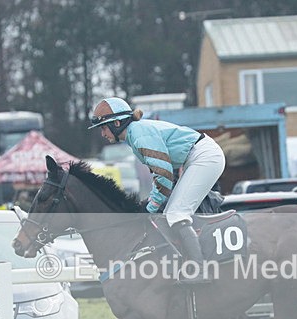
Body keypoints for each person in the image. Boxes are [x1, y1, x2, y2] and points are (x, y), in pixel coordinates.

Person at [88, 97, 225, 284]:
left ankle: (200, 270)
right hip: (197, 156)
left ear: (117, 123)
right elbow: (163, 175)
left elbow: (163, 176)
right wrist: (152, 203)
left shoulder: (138, 134)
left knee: (176, 214)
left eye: (103, 127)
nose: (102, 133)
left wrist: (149, 208)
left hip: (204, 156)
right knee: (170, 213)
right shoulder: (135, 135)